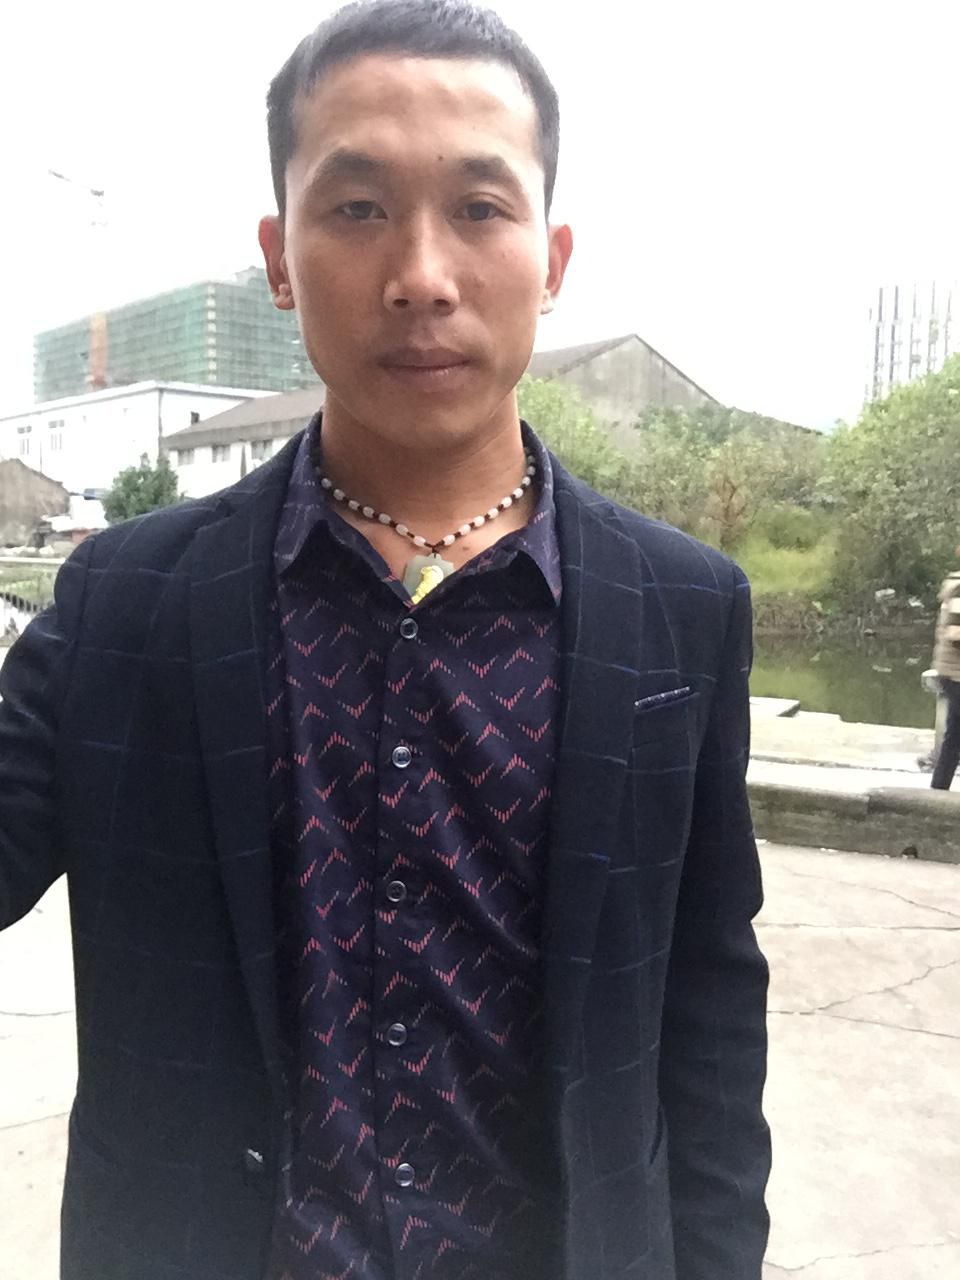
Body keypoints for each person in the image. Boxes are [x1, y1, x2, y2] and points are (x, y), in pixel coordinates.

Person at [0, 3, 770, 1278]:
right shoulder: (124, 608)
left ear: (552, 256)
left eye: (480, 207)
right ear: (280, 256)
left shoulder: (681, 609)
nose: (422, 273)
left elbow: (709, 1017)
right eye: (357, 208)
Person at [931, 553, 960, 790]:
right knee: (954, 737)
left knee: (954, 737)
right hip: (956, 673)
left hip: (950, 671)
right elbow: (955, 634)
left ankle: (939, 789)